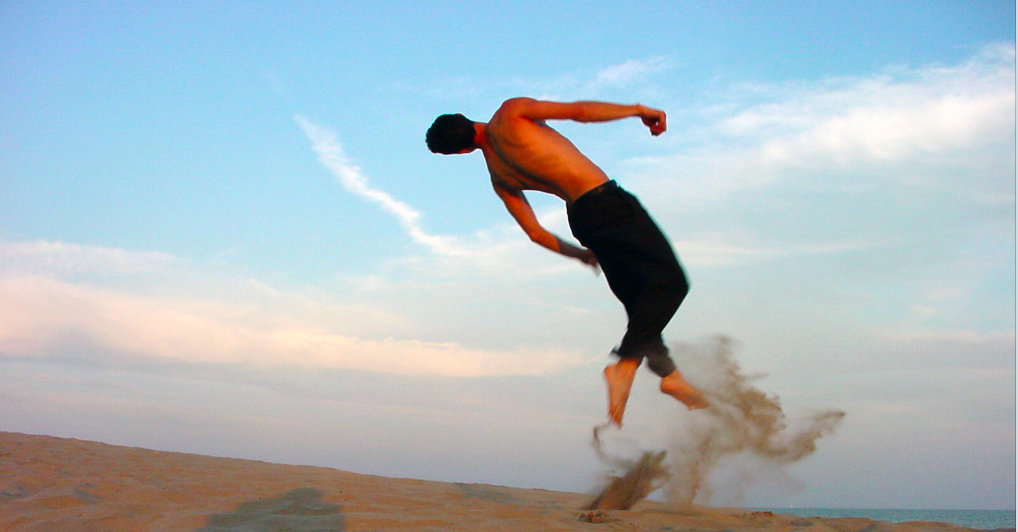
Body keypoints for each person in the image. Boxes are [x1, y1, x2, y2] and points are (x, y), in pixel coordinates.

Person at [426, 98, 707, 426]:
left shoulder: (499, 177)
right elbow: (578, 113)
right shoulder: (510, 113)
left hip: (582, 221)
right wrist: (637, 111)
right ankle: (624, 365)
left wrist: (581, 254)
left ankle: (669, 375)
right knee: (671, 283)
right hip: (607, 202)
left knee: (640, 304)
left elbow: (534, 232)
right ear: (463, 116)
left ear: (461, 152)